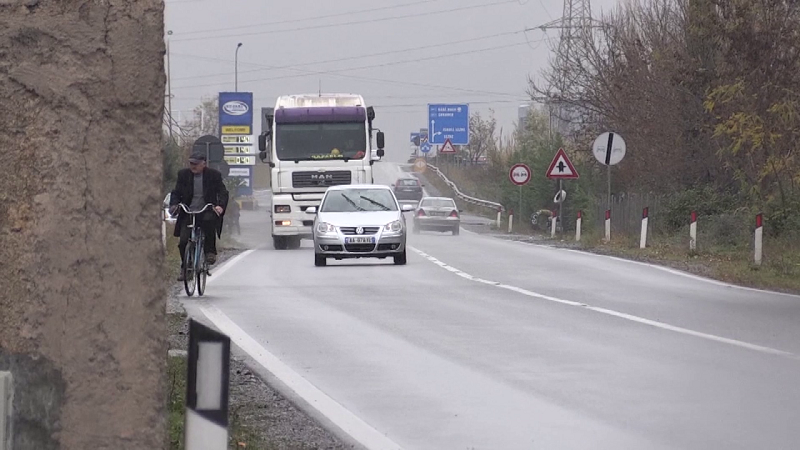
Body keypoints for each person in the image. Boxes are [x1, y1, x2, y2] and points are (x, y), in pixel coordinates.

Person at [169, 152, 228, 281]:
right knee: (183, 241)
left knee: (208, 223)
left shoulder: (213, 175)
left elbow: (223, 192)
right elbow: (176, 192)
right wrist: (174, 205)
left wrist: (220, 206)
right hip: (188, 211)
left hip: (206, 209)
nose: (193, 166)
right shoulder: (183, 175)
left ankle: (209, 252)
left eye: (196, 164)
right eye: (191, 163)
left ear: (203, 164)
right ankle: (186, 268)